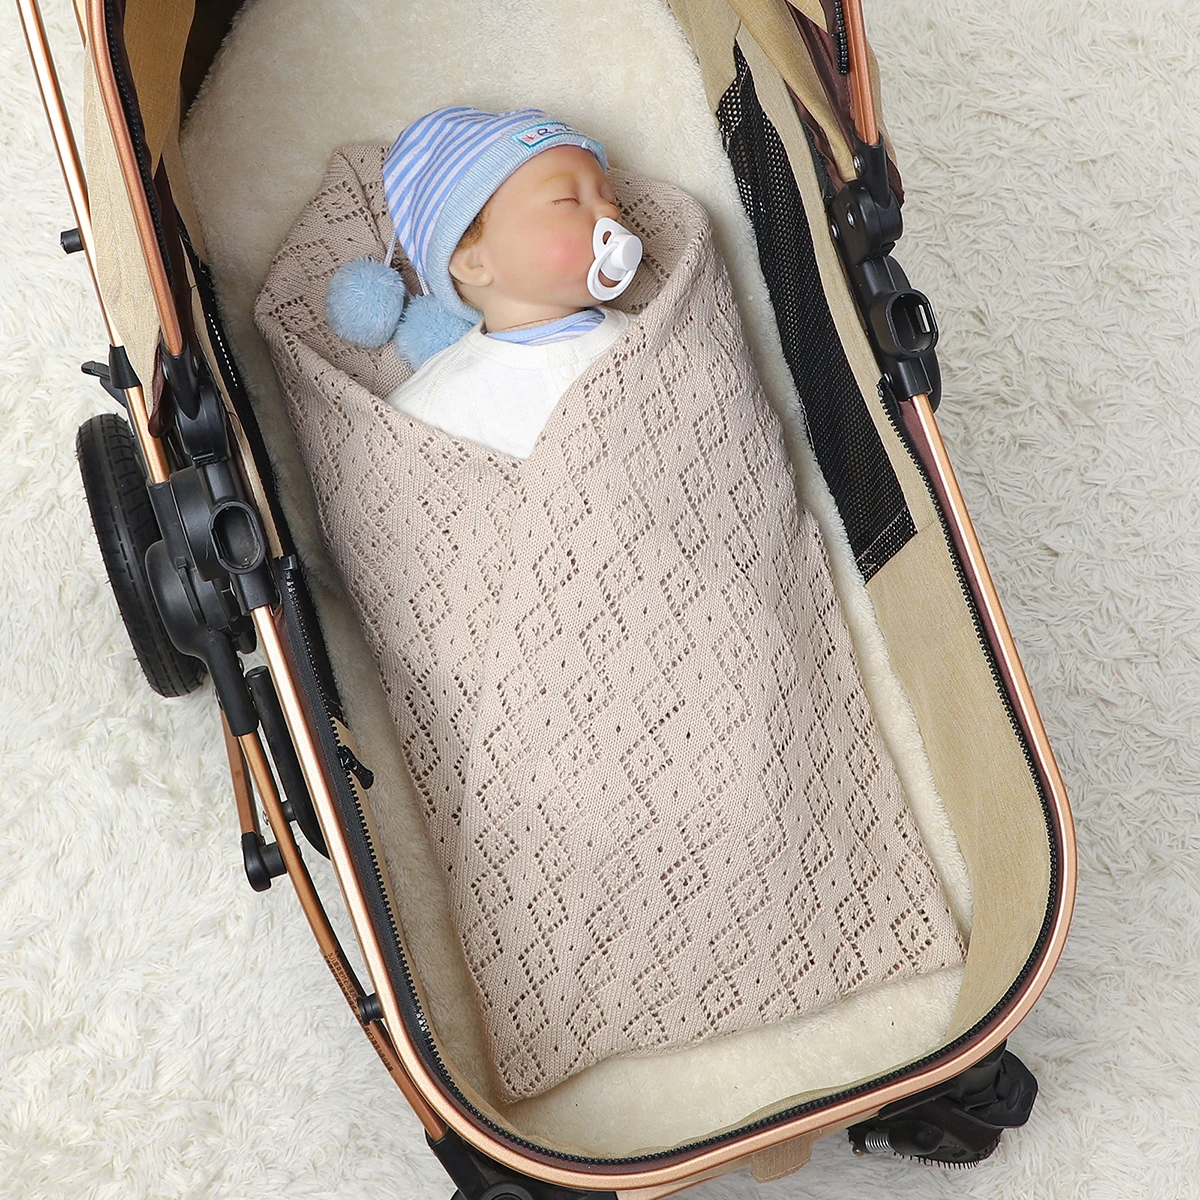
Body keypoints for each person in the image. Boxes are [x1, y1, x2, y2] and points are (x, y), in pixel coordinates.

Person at [326, 107, 643, 459]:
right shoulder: (425, 413)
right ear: (473, 262)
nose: (611, 212)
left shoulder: (658, 333)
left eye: (611, 199)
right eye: (568, 200)